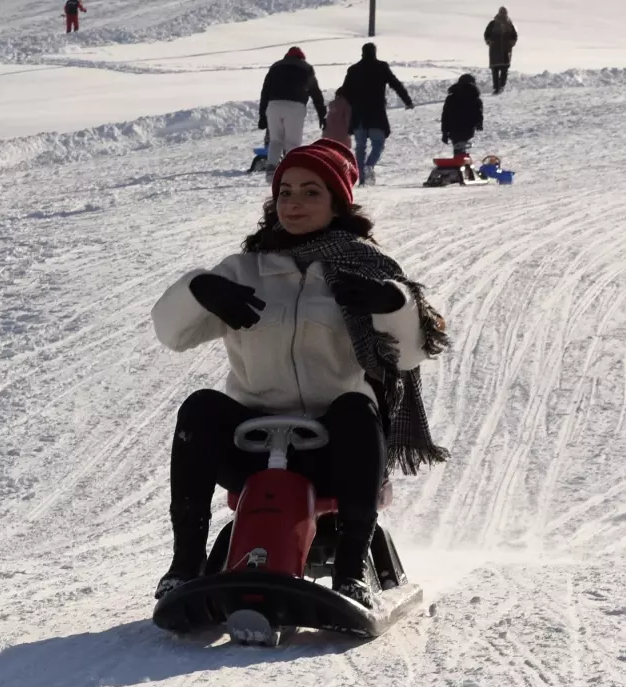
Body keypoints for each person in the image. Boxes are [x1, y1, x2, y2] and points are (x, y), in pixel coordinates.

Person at [150, 139, 449, 610]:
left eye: (311, 192)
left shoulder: (368, 269)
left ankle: (351, 574)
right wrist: (198, 288)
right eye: (285, 191)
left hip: (333, 451)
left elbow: (409, 356)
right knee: (201, 408)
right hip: (250, 445)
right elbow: (172, 334)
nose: (293, 203)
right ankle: (183, 566)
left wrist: (393, 304)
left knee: (356, 408)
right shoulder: (244, 270)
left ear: (337, 202)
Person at [340, 43, 414, 186]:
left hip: (359, 115)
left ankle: (362, 178)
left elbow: (345, 91)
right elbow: (395, 84)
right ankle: (369, 166)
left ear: (362, 52)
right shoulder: (381, 67)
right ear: (374, 52)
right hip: (376, 113)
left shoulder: (354, 69)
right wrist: (407, 101)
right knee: (378, 144)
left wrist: (352, 105)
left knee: (360, 147)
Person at [258, 47, 327, 180]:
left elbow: (265, 91)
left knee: (275, 140)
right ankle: (291, 170)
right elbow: (316, 93)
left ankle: (271, 169)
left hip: (274, 105)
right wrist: (322, 114)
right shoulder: (306, 68)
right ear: (301, 57)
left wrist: (262, 115)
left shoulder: (275, 67)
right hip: (295, 106)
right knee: (292, 142)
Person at [440, 74, 484, 156]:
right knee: (462, 146)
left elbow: (445, 116)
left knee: (458, 147)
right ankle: (461, 162)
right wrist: (479, 123)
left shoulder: (451, 97)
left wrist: (444, 132)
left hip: (453, 128)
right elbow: (478, 112)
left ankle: (459, 162)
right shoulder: (475, 97)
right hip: (468, 128)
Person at [484, 7, 518, 94]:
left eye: (504, 13)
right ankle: (497, 88)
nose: (503, 14)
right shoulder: (493, 24)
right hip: (495, 50)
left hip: (505, 50)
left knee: (504, 70)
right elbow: (487, 34)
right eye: (501, 12)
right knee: (495, 70)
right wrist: (489, 41)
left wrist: (511, 43)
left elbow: (514, 36)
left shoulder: (510, 25)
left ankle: (501, 86)